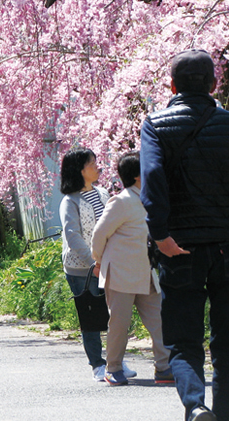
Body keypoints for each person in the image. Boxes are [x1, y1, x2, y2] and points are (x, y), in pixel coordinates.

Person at [141, 49, 229, 421]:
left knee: (182, 341)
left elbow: (153, 182)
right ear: (214, 84)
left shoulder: (156, 125)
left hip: (179, 249)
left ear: (172, 85)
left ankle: (195, 406)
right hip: (226, 248)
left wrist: (160, 235)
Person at [90, 151, 172, 386]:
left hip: (146, 271)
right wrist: (98, 261)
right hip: (121, 273)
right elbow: (99, 234)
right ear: (138, 176)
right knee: (119, 323)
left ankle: (164, 367)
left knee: (159, 320)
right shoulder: (122, 200)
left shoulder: (150, 198)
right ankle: (113, 367)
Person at [60, 147, 123, 382]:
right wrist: (92, 262)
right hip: (81, 268)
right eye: (92, 163)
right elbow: (73, 236)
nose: (97, 167)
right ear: (80, 170)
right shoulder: (70, 201)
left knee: (115, 313)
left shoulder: (103, 193)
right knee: (91, 316)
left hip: (108, 263)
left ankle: (116, 361)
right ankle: (97, 364)